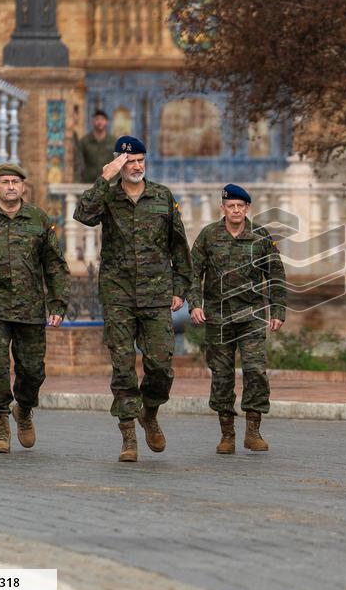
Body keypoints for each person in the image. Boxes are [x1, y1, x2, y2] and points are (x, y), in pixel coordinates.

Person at [73, 136, 192, 462]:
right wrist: (104, 177)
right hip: (118, 294)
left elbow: (178, 245)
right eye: (129, 161)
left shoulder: (162, 197)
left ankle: (149, 411)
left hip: (156, 295)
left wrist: (181, 287)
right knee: (123, 367)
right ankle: (128, 435)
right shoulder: (108, 196)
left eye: (140, 160)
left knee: (161, 366)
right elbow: (82, 215)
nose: (136, 166)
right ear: (118, 164)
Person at [0, 163, 70, 453]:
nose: (10, 186)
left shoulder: (38, 220)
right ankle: (1, 423)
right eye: (5, 182)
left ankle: (25, 408)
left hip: (30, 307)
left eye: (15, 182)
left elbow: (54, 265)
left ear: (22, 187)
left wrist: (58, 302)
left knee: (32, 370)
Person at [188, 184, 286, 454]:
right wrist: (194, 304)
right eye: (230, 206)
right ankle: (227, 434)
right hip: (218, 316)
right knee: (222, 376)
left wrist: (278, 310)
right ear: (223, 208)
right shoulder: (209, 236)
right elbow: (193, 273)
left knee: (255, 371)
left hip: (251, 315)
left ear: (247, 208)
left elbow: (276, 275)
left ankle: (253, 431)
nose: (235, 211)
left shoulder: (260, 237)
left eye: (240, 206)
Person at [75, 109, 117, 184]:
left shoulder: (113, 141)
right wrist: (78, 180)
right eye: (97, 119)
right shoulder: (85, 141)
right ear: (93, 122)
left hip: (109, 182)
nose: (100, 122)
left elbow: (118, 162)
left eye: (102, 119)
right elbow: (78, 162)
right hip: (89, 182)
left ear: (106, 122)